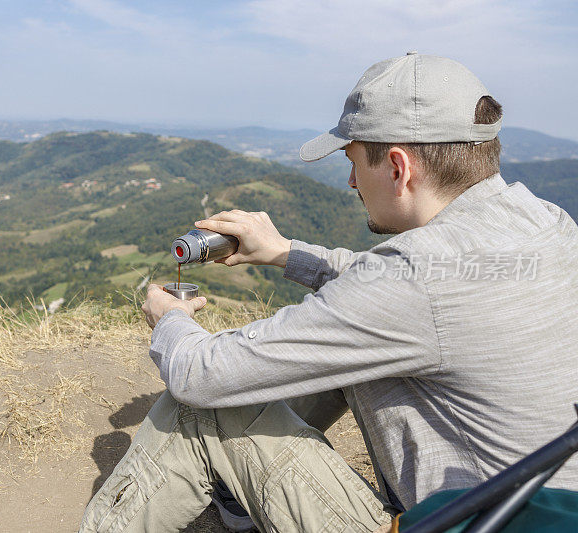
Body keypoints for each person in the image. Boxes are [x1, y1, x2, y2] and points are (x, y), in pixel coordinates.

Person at [80, 52, 578, 532]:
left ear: (399, 167)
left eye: (355, 160)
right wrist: (282, 252)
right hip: (540, 512)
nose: (349, 180)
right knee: (339, 352)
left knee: (196, 406)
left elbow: (199, 375)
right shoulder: (547, 223)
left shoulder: (411, 283)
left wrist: (170, 318)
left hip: (449, 523)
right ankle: (242, 490)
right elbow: (393, 290)